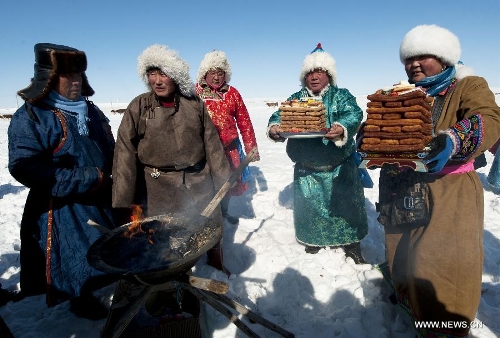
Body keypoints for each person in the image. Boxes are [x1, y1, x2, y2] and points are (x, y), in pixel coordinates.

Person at [381, 25, 500, 337]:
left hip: (449, 190)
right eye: (409, 58)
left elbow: (488, 118)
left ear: (445, 59)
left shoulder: (468, 86)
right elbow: (383, 125)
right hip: (403, 186)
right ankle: (414, 309)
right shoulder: (402, 93)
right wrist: (367, 138)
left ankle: (445, 326)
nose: (414, 64)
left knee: (443, 263)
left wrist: (453, 141)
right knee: (402, 253)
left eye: (424, 57)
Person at [8, 43, 116, 319]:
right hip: (61, 208)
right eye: (69, 76)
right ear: (49, 78)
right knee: (78, 262)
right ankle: (80, 304)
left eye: (79, 75)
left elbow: (110, 149)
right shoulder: (32, 116)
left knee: (112, 254)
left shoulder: (90, 111)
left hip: (100, 198)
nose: (76, 81)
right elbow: (26, 168)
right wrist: (85, 177)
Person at [112, 44, 231, 272]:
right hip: (158, 187)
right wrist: (123, 200)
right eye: (152, 73)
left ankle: (216, 263)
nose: (157, 80)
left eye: (163, 74)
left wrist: (223, 182)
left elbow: (212, 146)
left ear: (175, 76)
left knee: (211, 226)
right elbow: (125, 153)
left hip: (198, 180)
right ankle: (171, 274)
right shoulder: (139, 106)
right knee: (164, 236)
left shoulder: (194, 104)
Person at [267, 43, 368, 263]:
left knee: (346, 208)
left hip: (339, 167)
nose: (314, 77)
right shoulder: (296, 98)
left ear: (329, 75)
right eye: (310, 73)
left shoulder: (341, 96)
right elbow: (279, 116)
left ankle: (351, 243)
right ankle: (314, 241)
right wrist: (275, 128)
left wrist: (341, 127)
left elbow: (354, 113)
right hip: (307, 169)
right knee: (311, 209)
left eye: (319, 72)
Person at [195, 50, 260, 224]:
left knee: (227, 183)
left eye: (220, 73)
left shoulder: (232, 93)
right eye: (213, 72)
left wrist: (251, 147)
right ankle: (205, 216)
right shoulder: (194, 92)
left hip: (229, 149)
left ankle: (223, 212)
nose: (216, 77)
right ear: (205, 73)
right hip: (202, 150)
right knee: (204, 183)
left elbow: (244, 121)